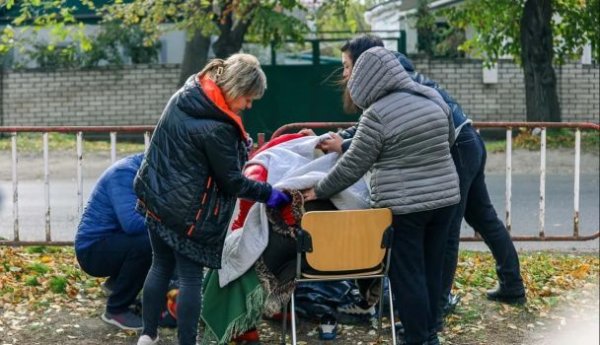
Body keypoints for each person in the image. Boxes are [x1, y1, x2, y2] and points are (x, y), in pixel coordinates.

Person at [324, 34, 526, 318]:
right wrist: (341, 138)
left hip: (456, 146)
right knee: (482, 216)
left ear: (367, 62)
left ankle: (438, 307)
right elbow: (374, 123)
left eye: (347, 66)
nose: (344, 73)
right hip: (468, 139)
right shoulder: (397, 71)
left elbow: (388, 124)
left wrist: (343, 145)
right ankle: (512, 285)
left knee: (446, 233)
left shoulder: (390, 78)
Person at [303, 46, 460, 345]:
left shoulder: (377, 114)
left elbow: (352, 165)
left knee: (409, 275)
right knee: (431, 269)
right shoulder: (432, 98)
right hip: (446, 200)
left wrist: (319, 189)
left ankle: (417, 338)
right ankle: (429, 334)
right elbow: (450, 139)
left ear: (368, 79)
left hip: (406, 208)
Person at [133, 53, 290, 345]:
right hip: (188, 215)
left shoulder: (188, 93)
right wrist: (271, 195)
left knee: (160, 265)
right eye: (248, 98)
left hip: (156, 201)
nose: (248, 105)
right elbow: (231, 181)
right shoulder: (218, 126)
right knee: (191, 279)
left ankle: (147, 335)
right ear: (236, 88)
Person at [74, 153, 149, 331]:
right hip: (92, 250)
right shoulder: (124, 173)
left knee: (151, 242)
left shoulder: (141, 172)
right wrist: (167, 221)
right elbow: (131, 224)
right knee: (147, 244)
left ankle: (116, 286)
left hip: (109, 242)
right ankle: (116, 310)